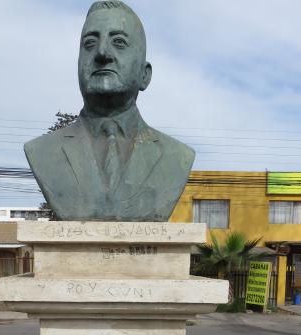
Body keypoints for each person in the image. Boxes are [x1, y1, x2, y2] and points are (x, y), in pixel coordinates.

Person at [24, 1, 194, 221]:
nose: (102, 53)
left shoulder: (177, 157)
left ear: (145, 75)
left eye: (119, 42)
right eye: (90, 43)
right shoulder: (42, 151)